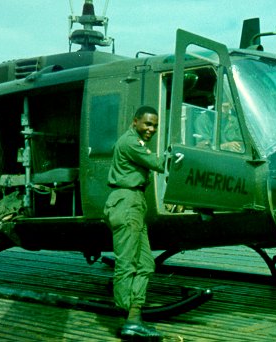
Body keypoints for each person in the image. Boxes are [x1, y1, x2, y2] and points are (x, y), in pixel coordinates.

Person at [103, 105, 165, 339]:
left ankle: (134, 315)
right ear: (135, 121)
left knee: (146, 264)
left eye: (155, 126)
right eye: (147, 124)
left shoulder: (136, 142)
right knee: (127, 264)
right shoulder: (131, 143)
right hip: (126, 202)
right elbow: (159, 164)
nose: (151, 129)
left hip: (135, 203)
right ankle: (127, 317)